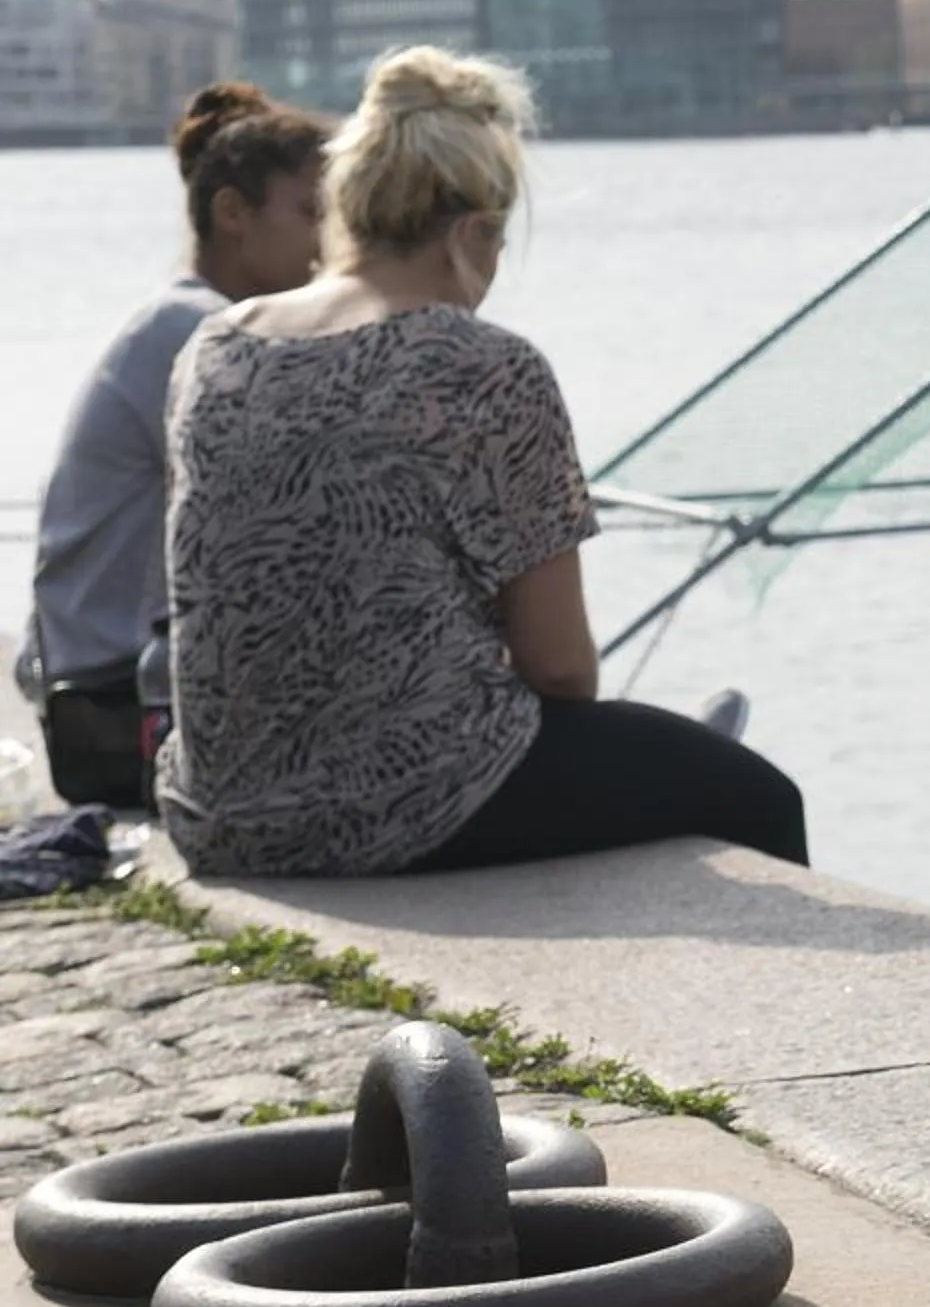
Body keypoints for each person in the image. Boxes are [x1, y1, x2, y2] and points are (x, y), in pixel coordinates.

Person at [156, 45, 806, 877]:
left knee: (662, 754)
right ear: (472, 232)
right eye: (498, 245)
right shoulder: (486, 366)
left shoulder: (217, 343)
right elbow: (562, 670)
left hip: (220, 813)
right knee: (757, 795)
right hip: (394, 807)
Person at [18, 84, 327, 808]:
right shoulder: (199, 333)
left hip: (99, 686)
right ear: (232, 214)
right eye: (310, 212)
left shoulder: (180, 316)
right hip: (121, 707)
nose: (326, 240)